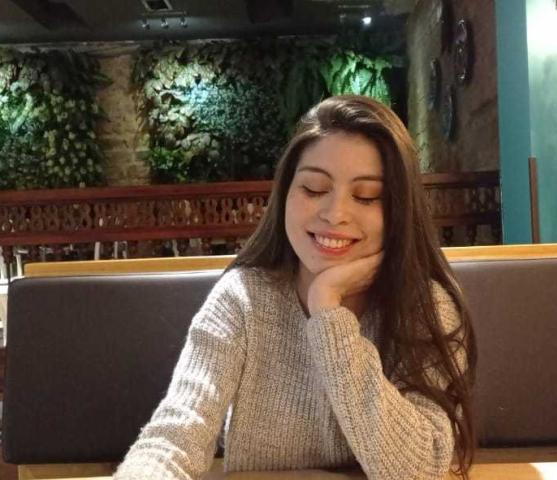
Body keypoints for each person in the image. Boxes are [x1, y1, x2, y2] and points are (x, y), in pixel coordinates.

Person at [113, 95, 476, 480]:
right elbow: (175, 436)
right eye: (314, 189)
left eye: (366, 196)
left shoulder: (425, 305)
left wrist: (328, 311)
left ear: (400, 211)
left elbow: (419, 473)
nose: (335, 214)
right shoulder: (243, 299)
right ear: (286, 194)